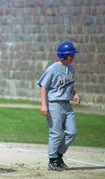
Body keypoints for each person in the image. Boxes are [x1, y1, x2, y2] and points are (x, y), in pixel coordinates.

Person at [37, 41, 81, 171]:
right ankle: (52, 160)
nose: (73, 57)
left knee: (72, 132)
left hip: (67, 105)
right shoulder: (53, 68)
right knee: (55, 133)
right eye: (72, 55)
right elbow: (43, 87)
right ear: (66, 55)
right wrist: (44, 105)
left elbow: (68, 86)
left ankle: (59, 155)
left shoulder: (71, 69)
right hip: (54, 104)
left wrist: (75, 94)